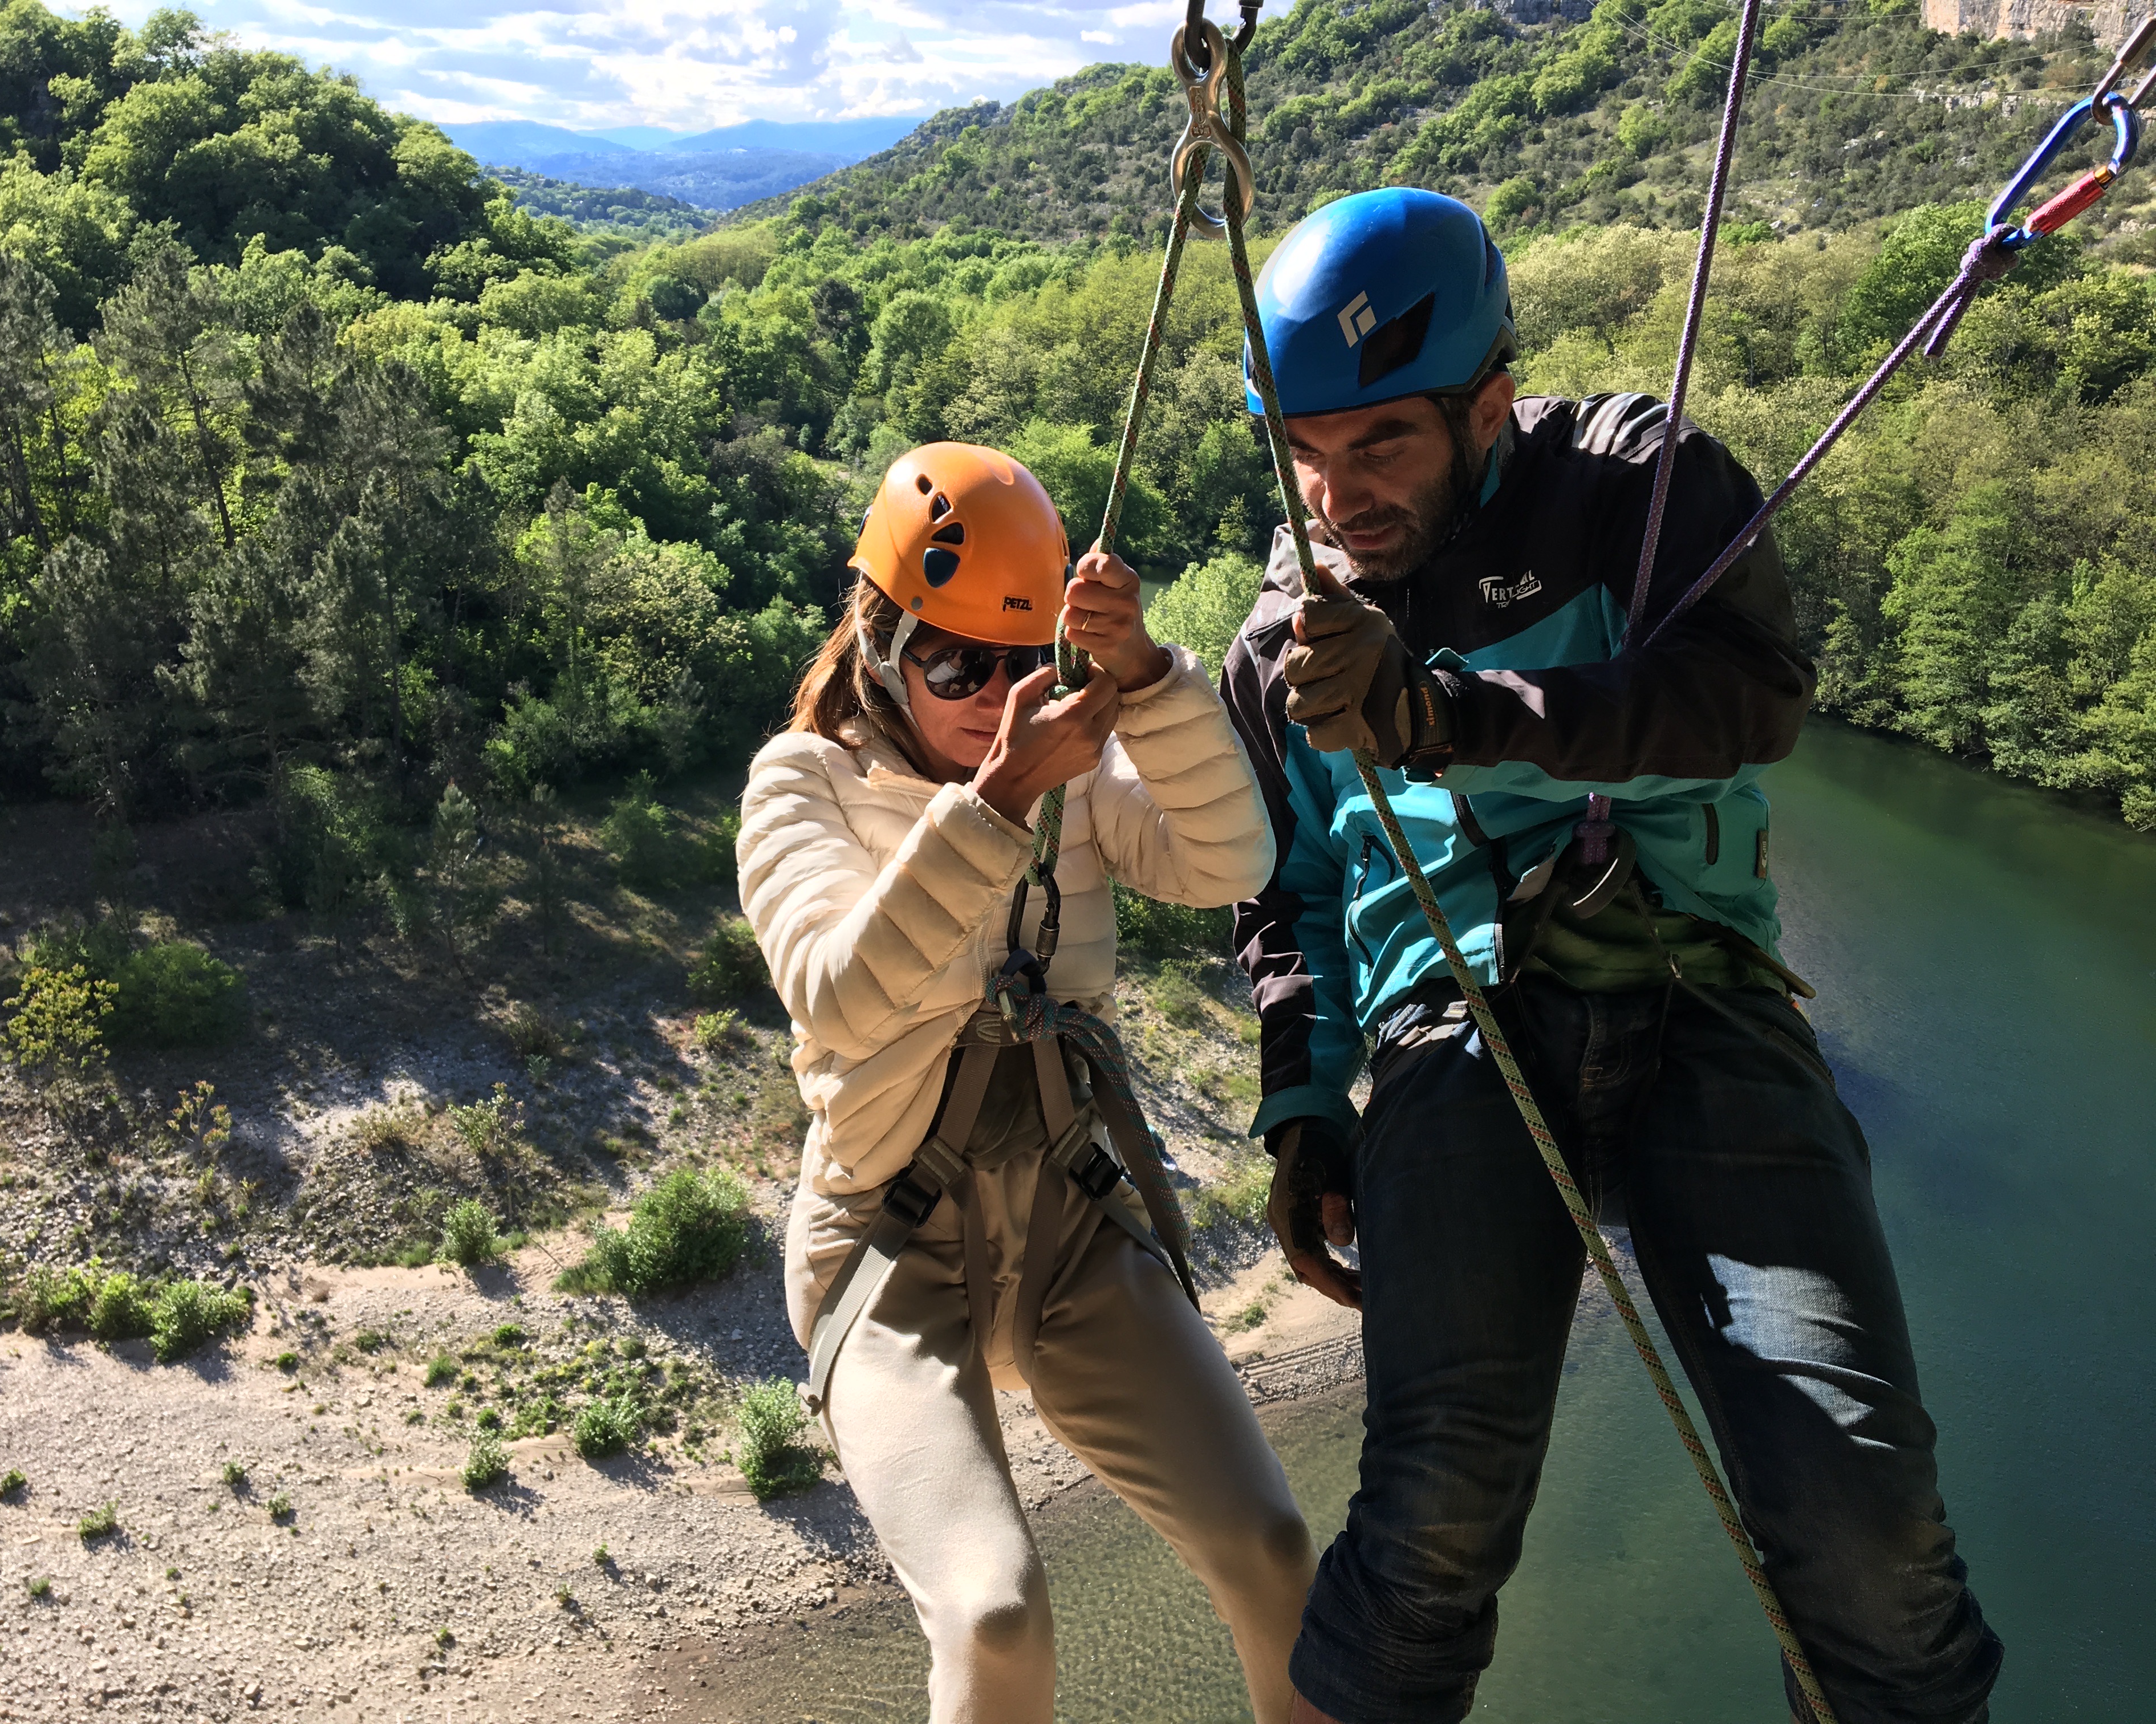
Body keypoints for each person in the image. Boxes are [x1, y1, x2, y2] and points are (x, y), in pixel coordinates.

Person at [1212, 189, 2004, 1724]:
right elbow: (1286, 889)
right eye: (1304, 450)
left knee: (1863, 1511)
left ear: (1489, 401)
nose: (1339, 490)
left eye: (1383, 443)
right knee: (1435, 1505)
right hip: (1456, 1019)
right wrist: (1304, 1108)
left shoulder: (1635, 488)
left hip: (1696, 988)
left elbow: (1746, 696)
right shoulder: (1280, 635)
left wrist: (1450, 712)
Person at [736, 441, 1316, 1724]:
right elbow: (835, 989)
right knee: (996, 1614)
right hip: (888, 1254)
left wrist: (1153, 683)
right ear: (883, 643)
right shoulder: (804, 785)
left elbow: (1231, 863)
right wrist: (997, 805)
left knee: (1275, 1553)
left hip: (1071, 1227)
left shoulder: (1080, 777)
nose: (996, 698)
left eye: (1024, 663)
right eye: (956, 664)